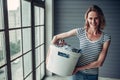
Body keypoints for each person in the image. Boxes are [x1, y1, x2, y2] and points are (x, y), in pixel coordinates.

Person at [51, 4, 111, 80]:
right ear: (87, 19)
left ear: (100, 19)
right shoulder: (81, 32)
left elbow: (99, 63)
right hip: (77, 74)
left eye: (96, 18)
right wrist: (51, 56)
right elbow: (56, 37)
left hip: (91, 75)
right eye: (90, 18)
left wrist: (79, 68)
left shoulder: (106, 38)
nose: (93, 21)